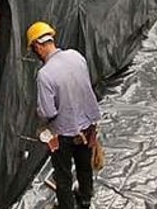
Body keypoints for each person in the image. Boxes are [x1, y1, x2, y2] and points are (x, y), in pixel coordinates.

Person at [29, 21, 102, 209]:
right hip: (87, 127)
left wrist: (38, 115)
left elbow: (48, 112)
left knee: (63, 176)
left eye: (33, 49)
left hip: (63, 134)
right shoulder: (76, 56)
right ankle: (85, 200)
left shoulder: (45, 74)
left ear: (37, 46)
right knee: (84, 166)